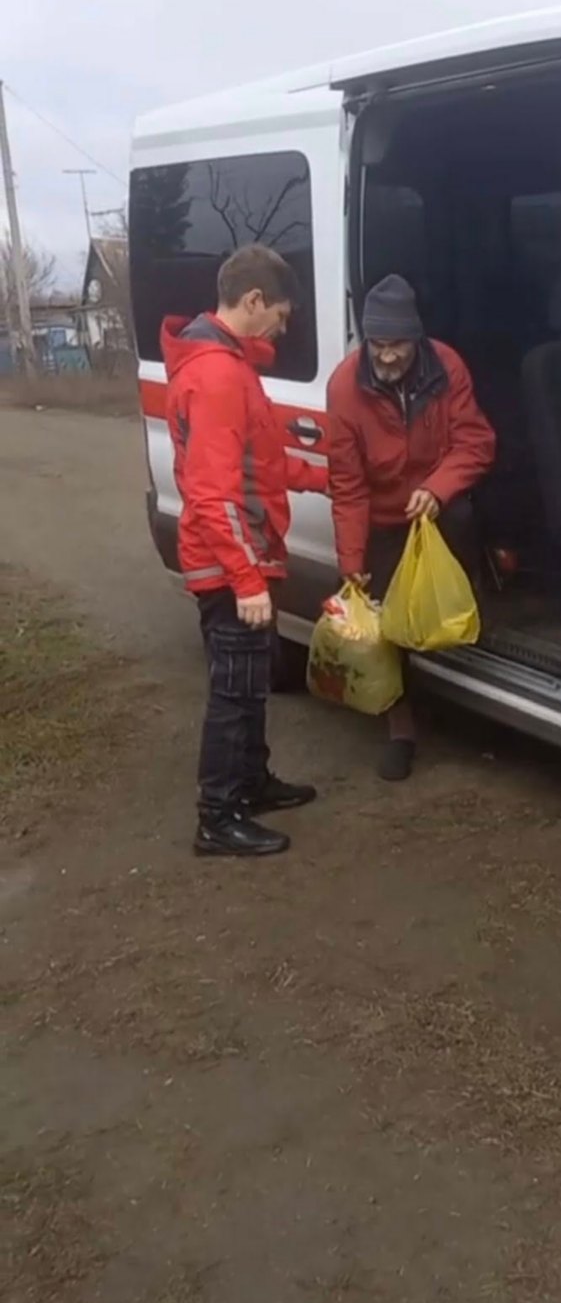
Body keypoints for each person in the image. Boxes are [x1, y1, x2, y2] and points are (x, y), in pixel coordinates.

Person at [162, 244, 329, 858]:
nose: (281, 329)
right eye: (280, 316)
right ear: (254, 299)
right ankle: (218, 814)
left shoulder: (229, 366)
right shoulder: (217, 375)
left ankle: (251, 782)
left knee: (251, 682)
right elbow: (213, 493)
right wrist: (247, 579)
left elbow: (261, 462)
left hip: (242, 556)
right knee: (234, 693)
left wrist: (325, 478)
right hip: (230, 564)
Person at [327, 274, 496, 780]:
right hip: (381, 518)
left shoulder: (447, 367)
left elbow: (475, 441)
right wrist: (351, 563)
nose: (386, 356)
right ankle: (400, 730)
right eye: (377, 344)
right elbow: (347, 485)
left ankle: (471, 688)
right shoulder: (344, 387)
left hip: (434, 509)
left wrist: (438, 488)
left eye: (396, 344)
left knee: (459, 549)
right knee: (384, 627)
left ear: (416, 339)